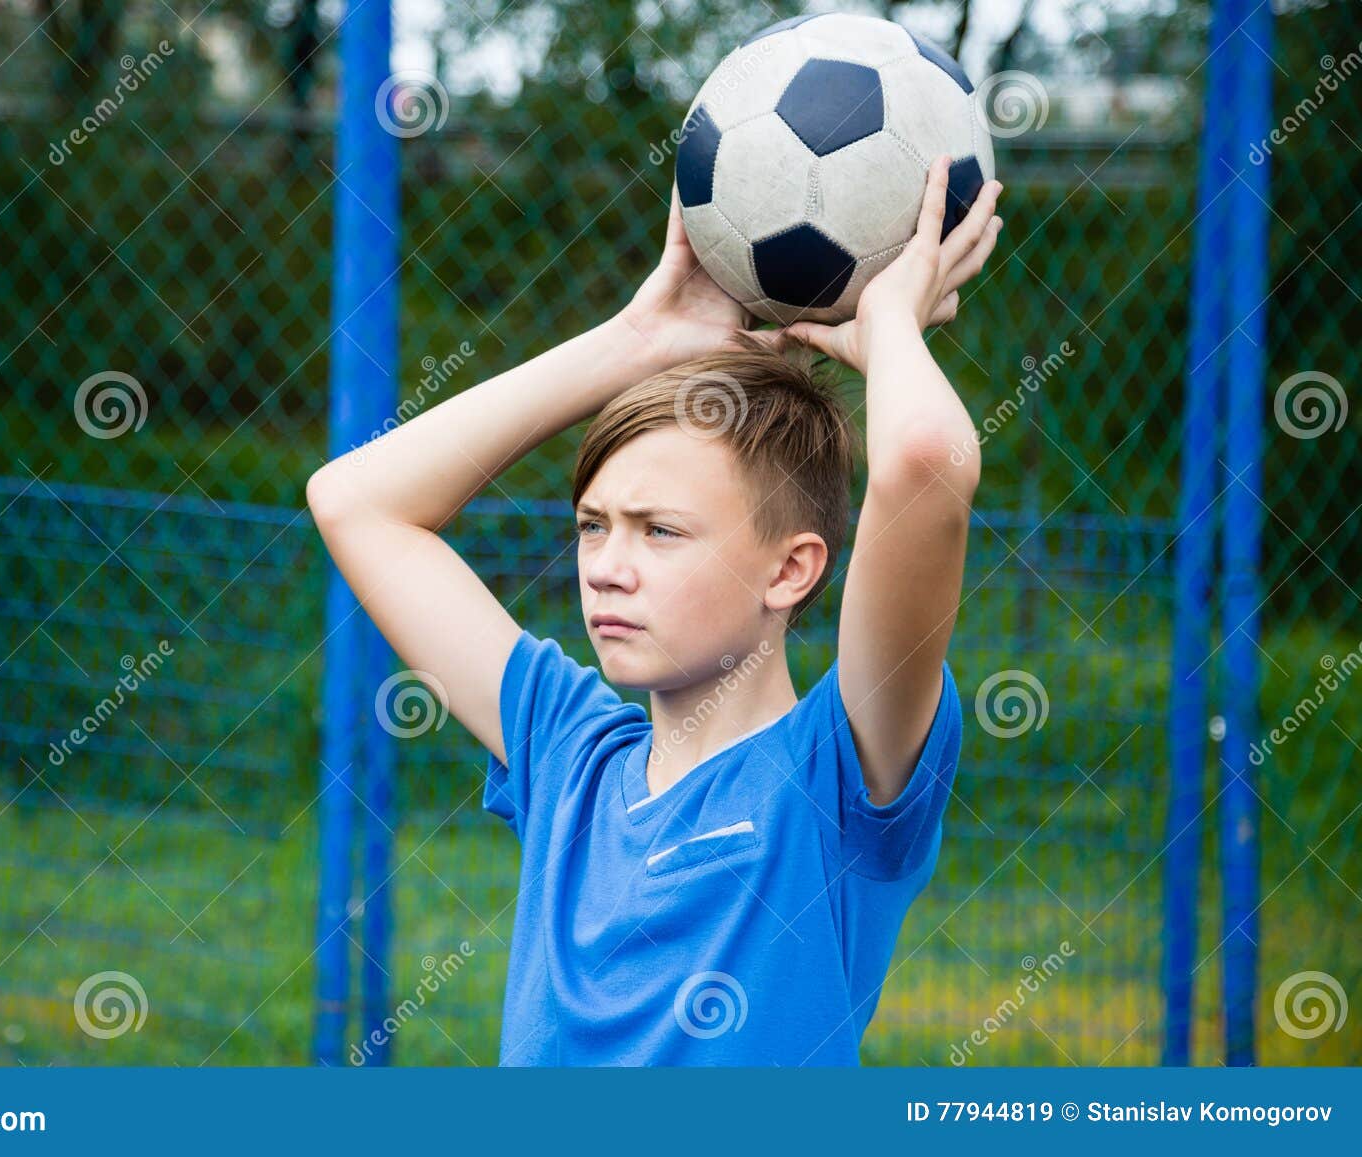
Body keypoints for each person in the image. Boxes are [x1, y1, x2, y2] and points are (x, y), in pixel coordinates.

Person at [307, 155, 1005, 1064]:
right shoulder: (568, 755)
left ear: (790, 571)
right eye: (593, 526)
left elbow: (924, 464)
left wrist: (888, 326)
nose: (606, 568)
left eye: (660, 531)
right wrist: (637, 340)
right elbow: (354, 501)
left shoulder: (837, 773)